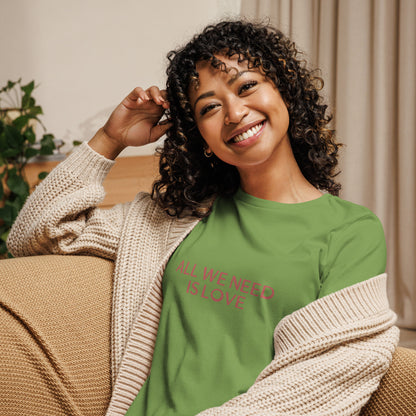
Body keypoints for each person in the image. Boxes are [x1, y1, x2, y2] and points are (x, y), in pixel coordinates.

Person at [6, 20, 398, 416]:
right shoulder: (175, 220)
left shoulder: (350, 230)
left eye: (246, 86)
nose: (234, 112)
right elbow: (36, 235)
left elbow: (325, 376)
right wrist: (110, 138)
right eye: (209, 107)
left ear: (284, 90)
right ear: (201, 137)